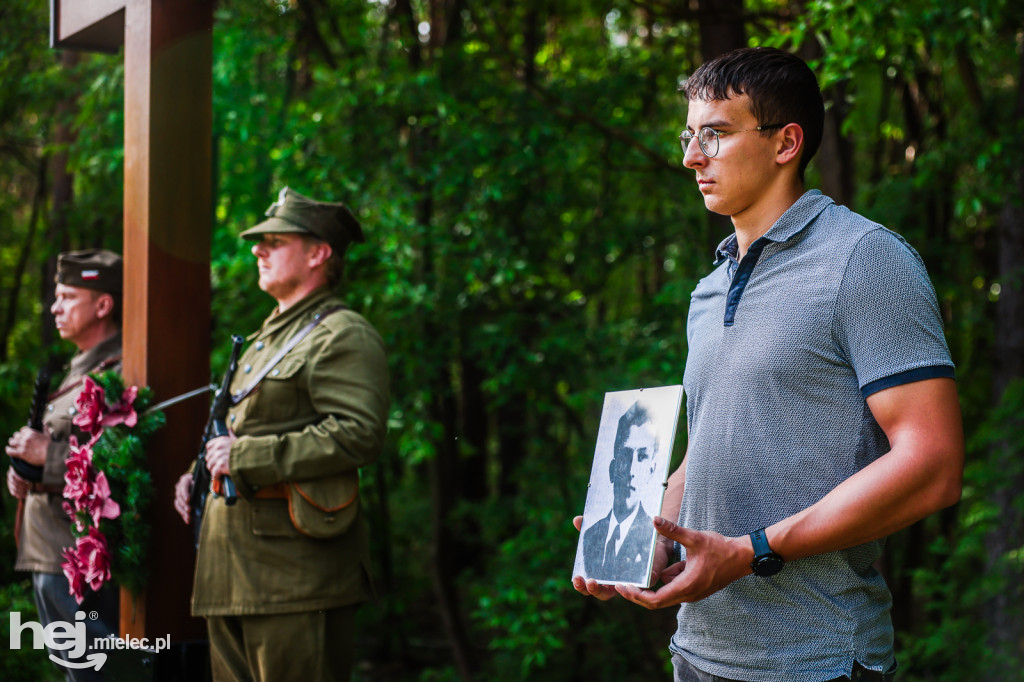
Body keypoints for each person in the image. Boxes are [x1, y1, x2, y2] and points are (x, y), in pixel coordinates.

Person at [572, 47, 964, 682]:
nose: (690, 156)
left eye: (716, 135)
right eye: (688, 135)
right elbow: (709, 445)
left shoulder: (864, 260)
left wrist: (751, 550)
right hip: (697, 656)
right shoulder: (707, 289)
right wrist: (649, 534)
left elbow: (934, 465)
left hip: (818, 660)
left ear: (786, 143)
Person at [173, 187, 390, 682]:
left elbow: (359, 434)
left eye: (274, 240)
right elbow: (236, 428)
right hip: (232, 573)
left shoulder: (342, 334)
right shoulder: (264, 338)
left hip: (296, 577)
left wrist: (245, 457)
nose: (257, 250)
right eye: (259, 241)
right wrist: (196, 473)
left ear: (318, 253)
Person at [6, 249, 123, 681]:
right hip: (49, 552)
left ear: (103, 305)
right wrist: (26, 471)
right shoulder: (80, 369)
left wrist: (47, 457)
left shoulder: (122, 368)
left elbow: (121, 460)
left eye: (68, 296)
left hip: (79, 562)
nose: (55, 308)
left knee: (97, 674)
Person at [581, 401, 660, 583]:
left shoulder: (651, 538)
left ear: (651, 471)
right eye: (625, 456)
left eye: (642, 457)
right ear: (612, 469)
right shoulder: (590, 535)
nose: (631, 470)